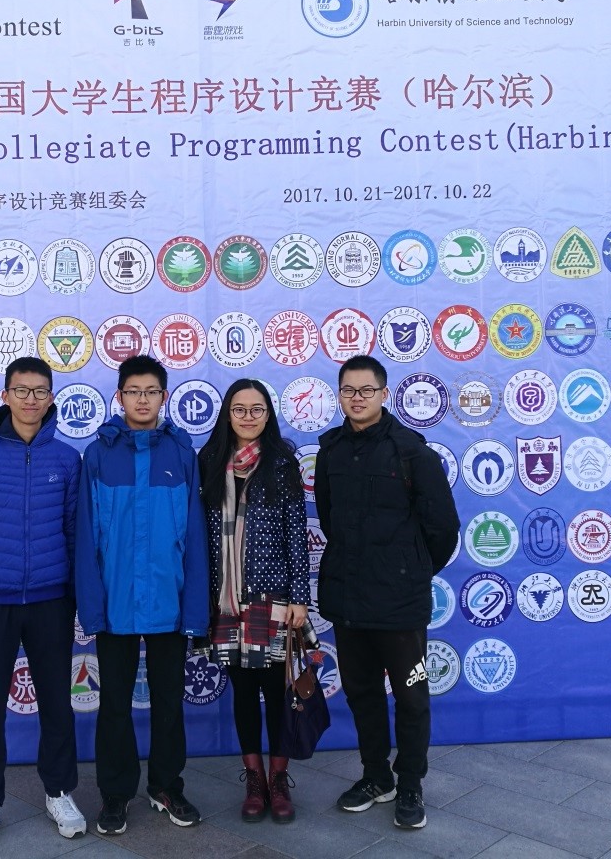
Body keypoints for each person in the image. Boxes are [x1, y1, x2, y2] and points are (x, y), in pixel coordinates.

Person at [314, 355, 460, 831]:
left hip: (400, 603)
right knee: (361, 695)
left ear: (384, 394)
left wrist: (409, 570)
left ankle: (410, 783)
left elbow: (443, 528)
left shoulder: (412, 453)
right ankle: (376, 777)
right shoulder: (331, 452)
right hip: (349, 597)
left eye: (366, 390)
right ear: (339, 395)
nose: (357, 398)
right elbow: (330, 518)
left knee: (411, 698)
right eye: (348, 390)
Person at [0, 356, 86, 850]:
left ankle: (60, 791)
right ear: (5, 396)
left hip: (51, 601)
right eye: (21, 390)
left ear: (51, 398)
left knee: (57, 705)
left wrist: (78, 598)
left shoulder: (67, 460)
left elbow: (74, 534)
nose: (31, 399)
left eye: (40, 391)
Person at [74, 354, 209, 835]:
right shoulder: (98, 455)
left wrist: (195, 610)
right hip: (116, 605)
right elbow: (86, 537)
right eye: (134, 391)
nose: (143, 400)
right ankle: (115, 794)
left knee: (170, 702)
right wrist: (92, 608)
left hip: (170, 603)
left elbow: (195, 536)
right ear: (120, 397)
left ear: (164, 397)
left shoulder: (182, 454)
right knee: (114, 703)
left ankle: (166, 785)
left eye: (151, 392)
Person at [197, 379, 311, 824]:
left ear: (268, 414)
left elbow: (296, 534)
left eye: (257, 409)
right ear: (228, 414)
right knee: (243, 693)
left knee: (277, 693)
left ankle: (279, 780)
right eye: (239, 409)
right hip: (225, 600)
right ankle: (254, 779)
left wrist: (299, 598)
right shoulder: (208, 461)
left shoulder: (281, 462)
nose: (248, 417)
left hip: (272, 597)